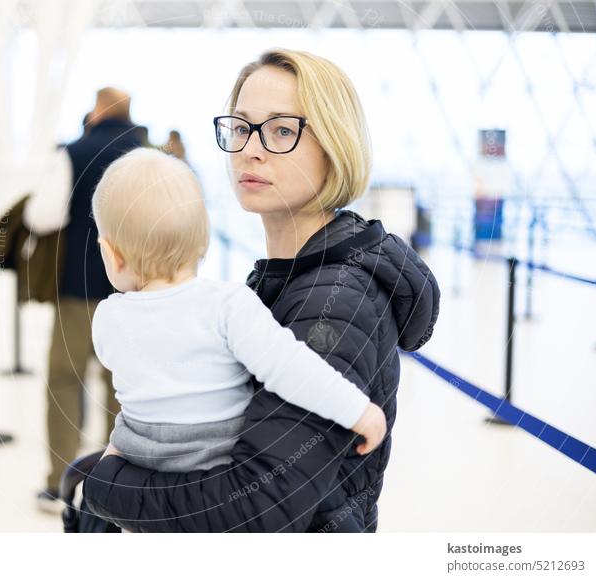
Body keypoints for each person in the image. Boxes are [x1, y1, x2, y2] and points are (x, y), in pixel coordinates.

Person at [82, 49, 440, 532]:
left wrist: (100, 486)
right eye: (242, 127)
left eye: (282, 131)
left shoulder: (339, 301)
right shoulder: (278, 277)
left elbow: (251, 510)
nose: (251, 149)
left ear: (334, 146)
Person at [90, 147, 386, 474]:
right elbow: (290, 368)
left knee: (118, 449)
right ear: (203, 243)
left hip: (139, 454)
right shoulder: (228, 304)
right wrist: (357, 410)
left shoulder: (108, 318)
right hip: (218, 457)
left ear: (112, 255)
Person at [38, 87, 144, 511]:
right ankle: (121, 478)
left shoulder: (74, 152)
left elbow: (45, 216)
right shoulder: (147, 155)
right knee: (125, 385)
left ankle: (60, 479)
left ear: (97, 110)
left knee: (66, 377)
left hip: (79, 286)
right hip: (137, 290)